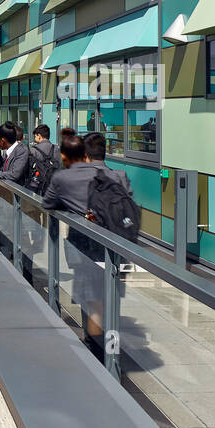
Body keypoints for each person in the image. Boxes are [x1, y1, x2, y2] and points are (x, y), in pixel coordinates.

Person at [41, 132, 132, 360]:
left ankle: (96, 353)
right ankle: (111, 352)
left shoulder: (68, 178)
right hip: (116, 252)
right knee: (109, 302)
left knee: (90, 303)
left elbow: (48, 203)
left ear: (85, 154)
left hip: (84, 251)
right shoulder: (119, 175)